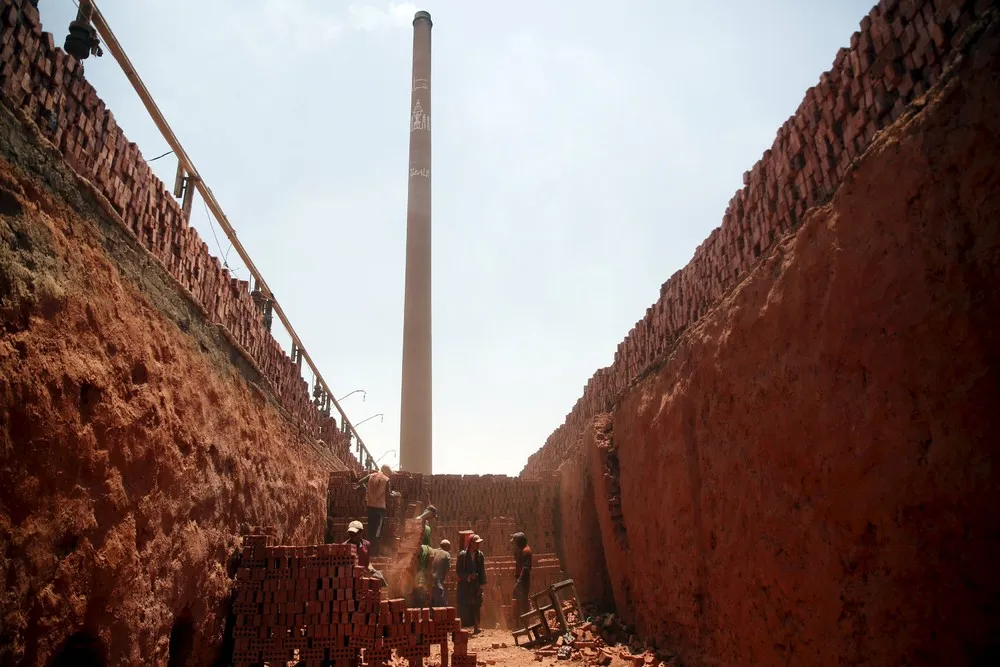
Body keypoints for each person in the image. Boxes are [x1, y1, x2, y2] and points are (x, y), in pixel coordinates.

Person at [356, 465, 398, 556]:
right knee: (377, 532)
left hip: (370, 506)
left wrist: (366, 490)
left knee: (371, 530)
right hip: (380, 509)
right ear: (387, 472)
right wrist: (396, 494)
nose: (390, 475)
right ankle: (374, 553)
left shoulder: (371, 476)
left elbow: (359, 482)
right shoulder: (386, 479)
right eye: (390, 473)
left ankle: (368, 551)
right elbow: (389, 494)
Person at [457, 534, 486, 634]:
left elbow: (482, 571)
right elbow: (459, 571)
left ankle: (476, 627)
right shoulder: (462, 555)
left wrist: (481, 586)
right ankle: (462, 628)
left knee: (476, 605)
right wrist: (469, 576)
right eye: (476, 543)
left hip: (476, 585)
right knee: (464, 605)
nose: (478, 545)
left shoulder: (480, 555)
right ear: (471, 543)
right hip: (465, 585)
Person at [511, 532, 532, 625]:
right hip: (520, 578)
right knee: (518, 599)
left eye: (515, 542)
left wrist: (519, 580)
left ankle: (525, 622)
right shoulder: (521, 550)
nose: (514, 544)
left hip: (523, 579)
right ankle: (521, 622)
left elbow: (526, 568)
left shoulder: (525, 551)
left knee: (523, 600)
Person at [430, 539, 451, 607]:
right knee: (441, 607)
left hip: (429, 582)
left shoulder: (433, 551)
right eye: (449, 548)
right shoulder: (446, 554)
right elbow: (448, 570)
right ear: (447, 547)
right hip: (438, 584)